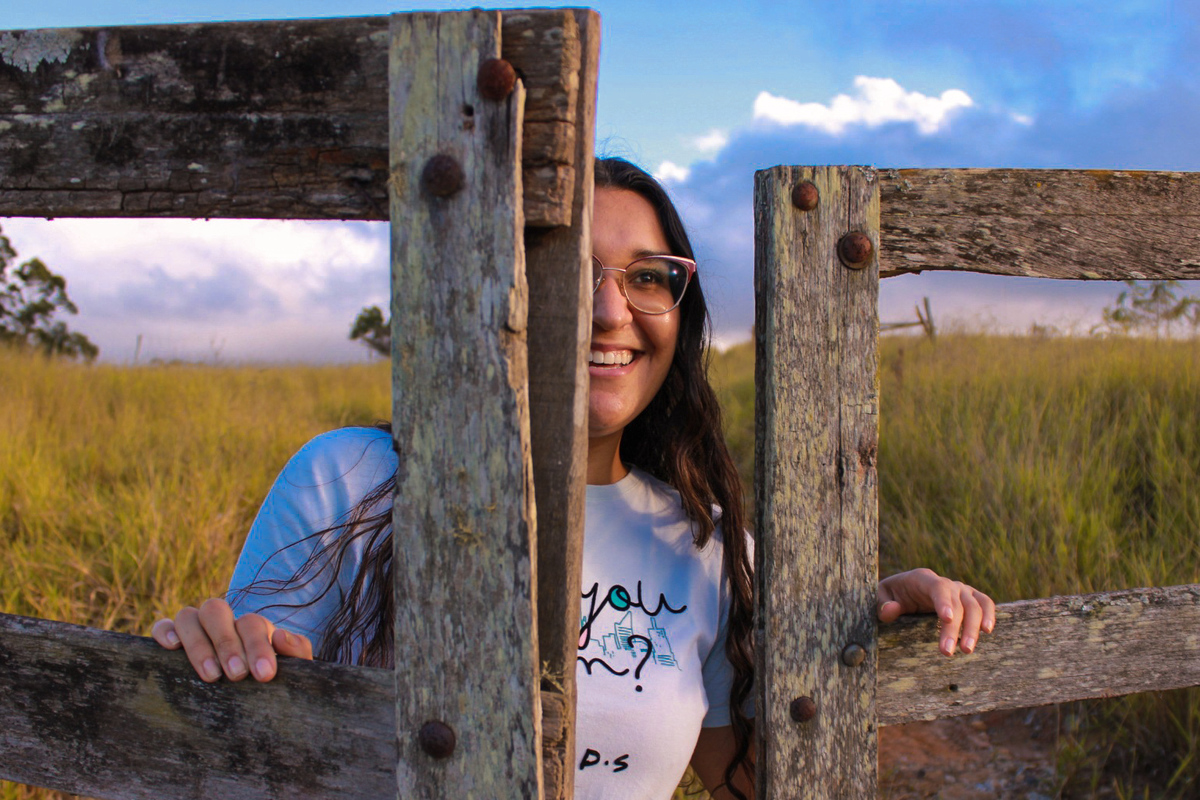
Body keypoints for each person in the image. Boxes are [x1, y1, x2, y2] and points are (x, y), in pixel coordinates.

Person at [152, 158, 996, 800]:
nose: (609, 311)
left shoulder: (704, 544)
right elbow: (246, 730)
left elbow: (756, 777)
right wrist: (224, 653)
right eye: (573, 270)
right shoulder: (354, 477)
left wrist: (854, 627)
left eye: (648, 276)